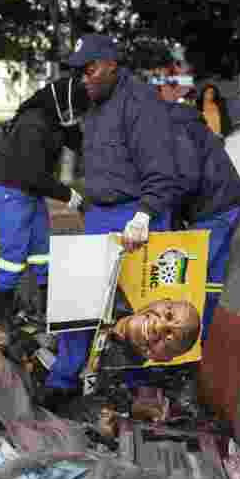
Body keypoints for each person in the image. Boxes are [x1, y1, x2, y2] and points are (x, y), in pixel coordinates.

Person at [42, 33, 181, 407]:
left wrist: (145, 214)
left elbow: (162, 168)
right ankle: (63, 379)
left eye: (89, 70)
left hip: (136, 211)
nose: (83, 78)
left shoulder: (141, 104)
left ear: (111, 65)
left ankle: (144, 384)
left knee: (145, 308)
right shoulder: (95, 103)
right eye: (78, 72)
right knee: (79, 300)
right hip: (101, 213)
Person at [0, 76, 89, 331]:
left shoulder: (56, 120)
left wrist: (76, 132)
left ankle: (46, 302)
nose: (81, 116)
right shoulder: (33, 124)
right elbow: (33, 174)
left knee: (41, 246)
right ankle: (2, 308)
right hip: (9, 188)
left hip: (29, 189)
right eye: (78, 112)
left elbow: (78, 145)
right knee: (15, 251)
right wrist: (69, 196)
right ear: (65, 105)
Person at [168, 102, 240, 339]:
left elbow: (186, 175)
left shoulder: (174, 126)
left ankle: (196, 341)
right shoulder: (186, 120)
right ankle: (214, 339)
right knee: (216, 281)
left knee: (189, 279)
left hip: (212, 210)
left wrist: (169, 210)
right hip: (229, 202)